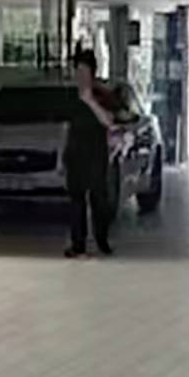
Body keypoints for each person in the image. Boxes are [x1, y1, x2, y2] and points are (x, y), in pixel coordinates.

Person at [64, 50, 116, 258]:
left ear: (92, 72)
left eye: (84, 71)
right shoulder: (70, 96)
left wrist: (90, 101)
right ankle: (78, 244)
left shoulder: (102, 93)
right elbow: (65, 126)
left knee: (98, 200)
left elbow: (109, 121)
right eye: (78, 71)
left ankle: (102, 240)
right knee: (76, 200)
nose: (80, 76)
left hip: (96, 155)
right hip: (75, 154)